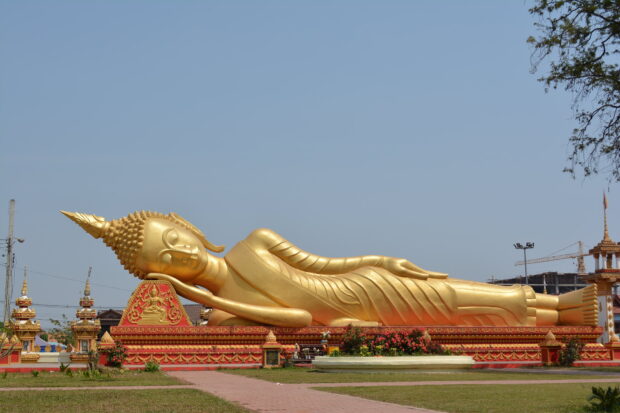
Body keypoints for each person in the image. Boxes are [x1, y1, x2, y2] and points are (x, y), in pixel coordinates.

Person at [62, 210, 598, 328]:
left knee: (460, 293)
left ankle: (564, 305)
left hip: (361, 284)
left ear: (191, 229)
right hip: (355, 317)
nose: (182, 255)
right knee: (470, 314)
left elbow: (323, 265)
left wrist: (381, 260)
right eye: (167, 260)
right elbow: (295, 318)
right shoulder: (224, 318)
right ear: (160, 276)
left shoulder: (255, 242)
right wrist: (204, 296)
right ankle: (565, 316)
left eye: (176, 240)